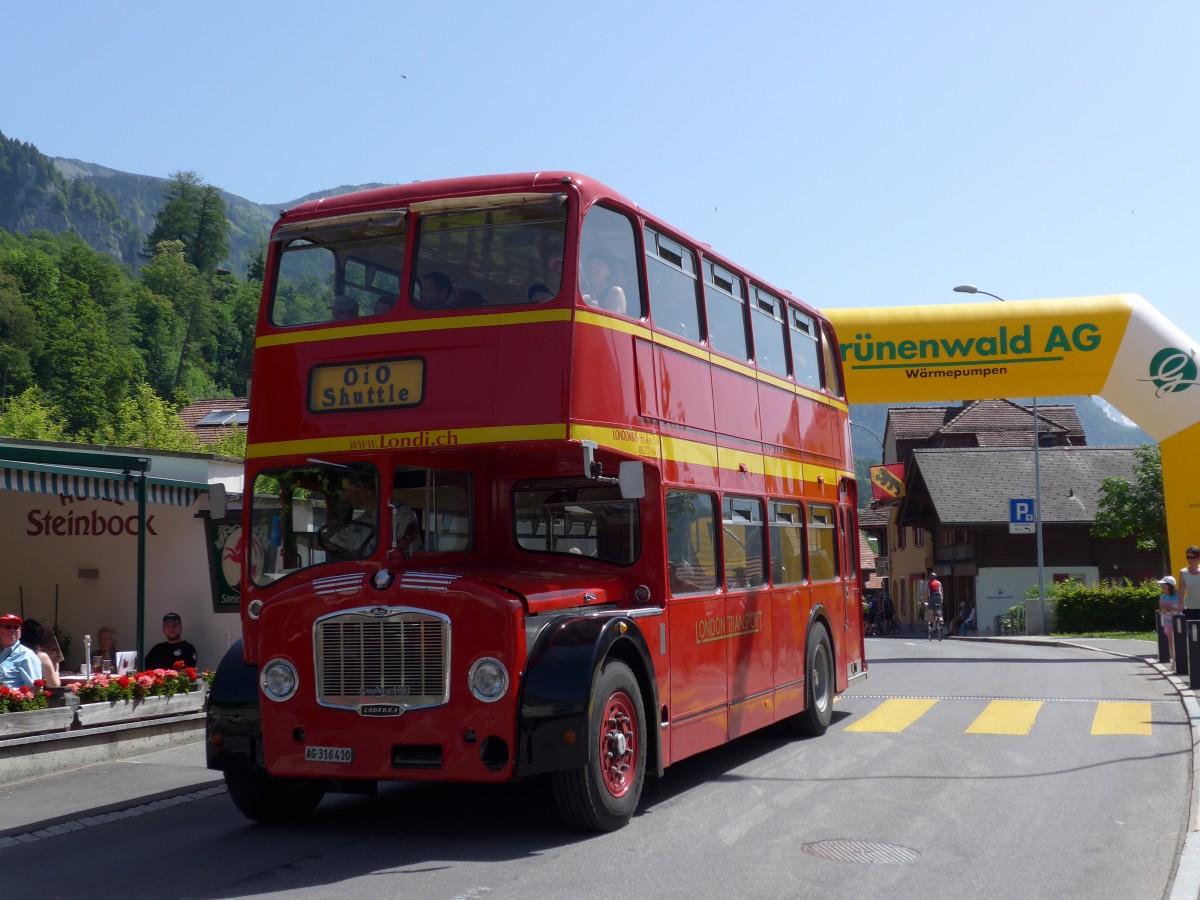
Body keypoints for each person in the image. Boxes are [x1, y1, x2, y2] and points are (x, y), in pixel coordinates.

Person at [0, 614, 43, 688]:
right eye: (8, 627)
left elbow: (34, 689)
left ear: (20, 632)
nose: (12, 630)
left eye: (16, 627)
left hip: (12, 699)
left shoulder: (27, 655)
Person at [581, 249, 627, 314]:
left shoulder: (615, 292)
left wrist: (594, 309)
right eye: (590, 262)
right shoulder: (581, 291)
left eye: (599, 263)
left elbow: (614, 321)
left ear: (609, 271)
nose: (593, 266)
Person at [19, 619, 61, 687]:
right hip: (35, 695)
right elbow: (54, 685)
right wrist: (56, 667)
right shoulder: (41, 657)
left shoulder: (15, 655)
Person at [1159, 575, 1181, 653]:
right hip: (1168, 621)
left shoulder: (1178, 595)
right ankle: (1173, 658)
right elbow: (1160, 611)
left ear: (1169, 585)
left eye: (1163, 584)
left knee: (1179, 639)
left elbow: (1182, 607)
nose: (1161, 586)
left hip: (1178, 621)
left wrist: (1170, 608)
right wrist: (1163, 609)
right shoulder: (1162, 597)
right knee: (1170, 639)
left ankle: (1180, 657)